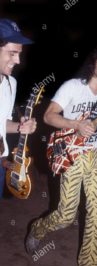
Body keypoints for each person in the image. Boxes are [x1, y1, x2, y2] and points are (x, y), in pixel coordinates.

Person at [25, 42, 97, 266]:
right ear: (93, 63)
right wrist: (76, 124)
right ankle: (38, 228)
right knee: (67, 214)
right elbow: (49, 116)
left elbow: (95, 128)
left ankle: (90, 263)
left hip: (93, 154)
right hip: (71, 153)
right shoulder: (72, 87)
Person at [0, 18, 37, 199]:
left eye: (20, 54)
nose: (18, 60)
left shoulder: (10, 83)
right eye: (12, 53)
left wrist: (20, 127)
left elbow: (2, 124)